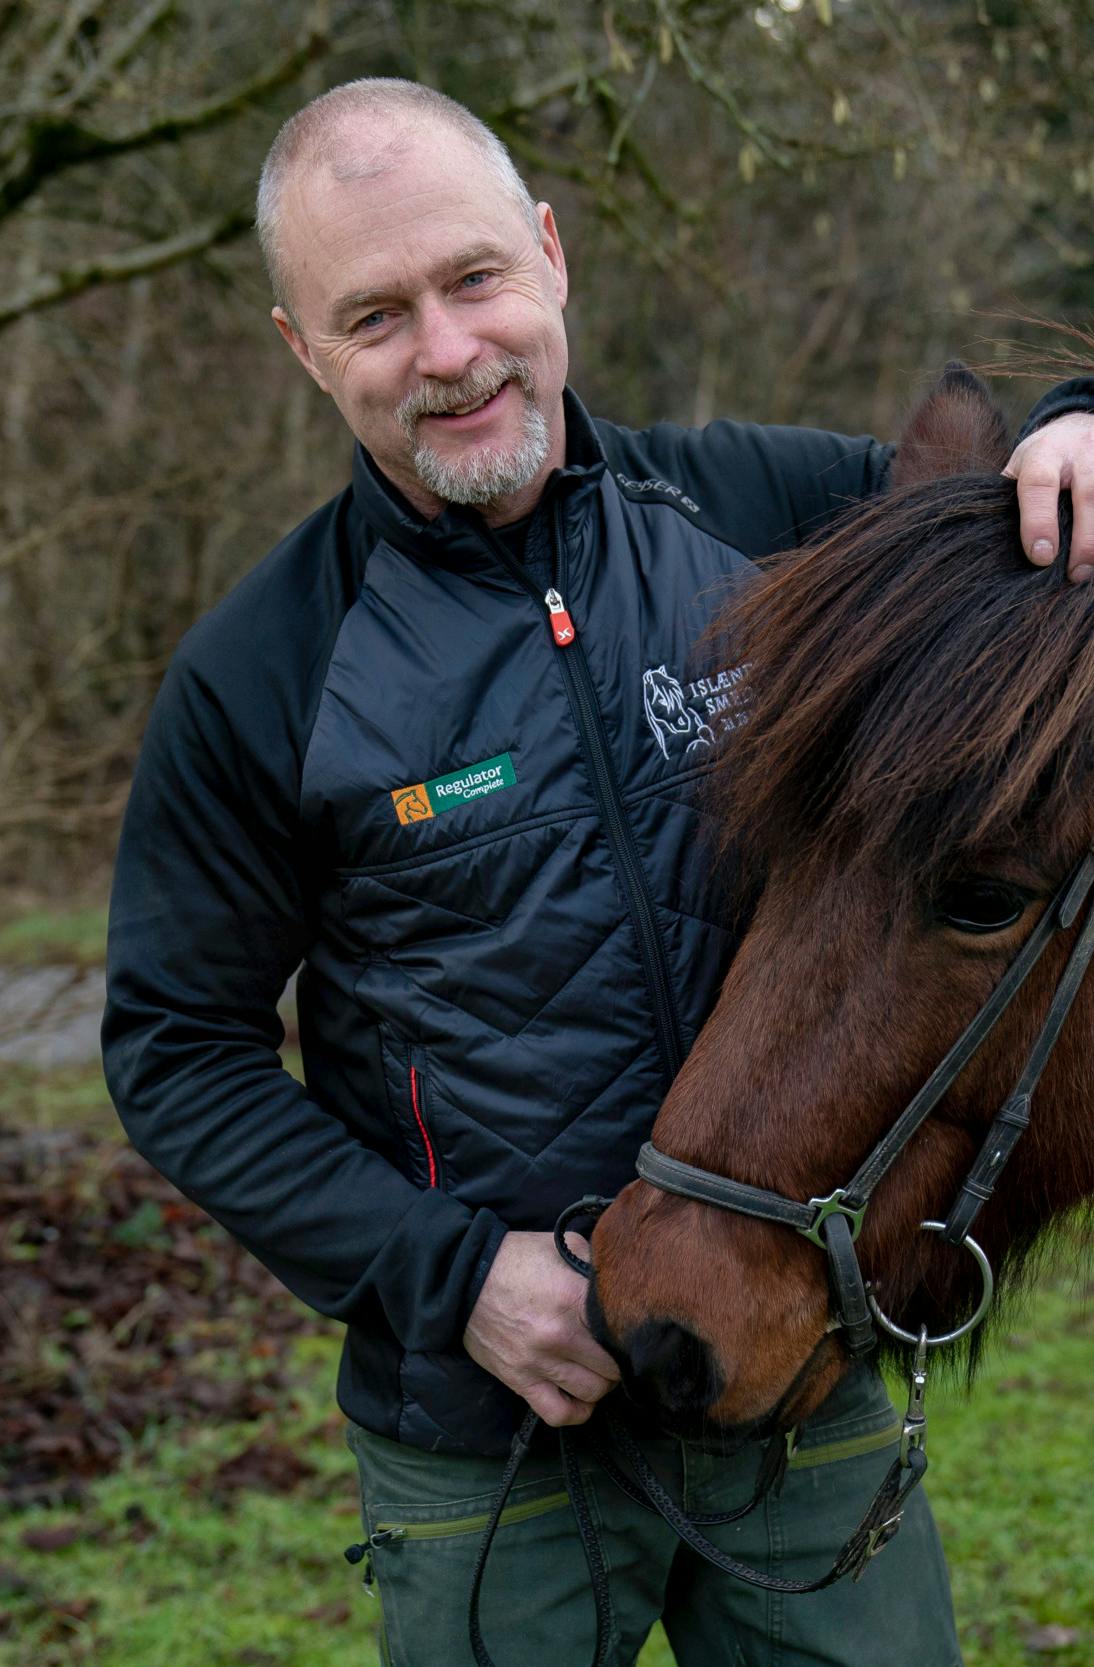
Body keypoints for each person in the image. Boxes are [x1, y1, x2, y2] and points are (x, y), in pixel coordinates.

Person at [102, 78, 1094, 1667]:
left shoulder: (770, 520)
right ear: (303, 349)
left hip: (792, 1385)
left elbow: (1017, 532)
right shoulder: (263, 671)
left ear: (550, 258)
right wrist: (450, 1278)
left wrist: (1076, 422)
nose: (447, 352)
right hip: (489, 1443)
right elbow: (176, 1049)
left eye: (473, 278)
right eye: (374, 314)